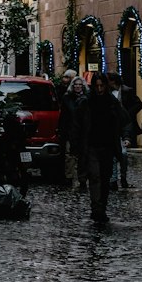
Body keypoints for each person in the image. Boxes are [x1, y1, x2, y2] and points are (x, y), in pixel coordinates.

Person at [83, 72, 128, 226]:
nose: (100, 89)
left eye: (102, 86)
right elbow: (78, 124)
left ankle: (102, 208)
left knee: (105, 179)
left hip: (108, 146)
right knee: (95, 177)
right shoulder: (87, 102)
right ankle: (96, 208)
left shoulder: (112, 102)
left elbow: (124, 119)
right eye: (97, 86)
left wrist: (124, 135)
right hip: (91, 145)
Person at [57, 75, 89, 188]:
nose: (78, 87)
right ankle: (68, 177)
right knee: (69, 155)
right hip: (70, 130)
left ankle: (82, 179)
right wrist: (61, 130)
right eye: (76, 85)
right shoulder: (67, 98)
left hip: (83, 131)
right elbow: (64, 116)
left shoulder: (87, 98)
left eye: (80, 85)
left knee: (83, 156)